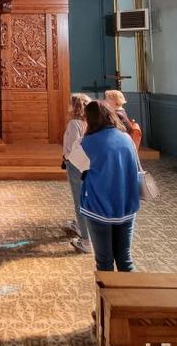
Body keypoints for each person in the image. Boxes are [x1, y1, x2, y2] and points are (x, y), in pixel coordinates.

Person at [79, 100, 140, 271]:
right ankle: (132, 297)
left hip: (99, 207)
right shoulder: (126, 138)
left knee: (104, 261)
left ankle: (107, 297)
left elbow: (79, 168)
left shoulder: (87, 143)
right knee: (125, 260)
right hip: (126, 205)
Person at [62, 92, 93, 254]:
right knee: (85, 197)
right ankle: (83, 227)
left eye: (70, 103)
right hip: (88, 164)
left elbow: (73, 146)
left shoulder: (75, 123)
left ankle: (85, 237)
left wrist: (66, 158)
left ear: (76, 106)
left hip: (76, 164)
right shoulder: (90, 121)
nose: (67, 106)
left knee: (79, 198)